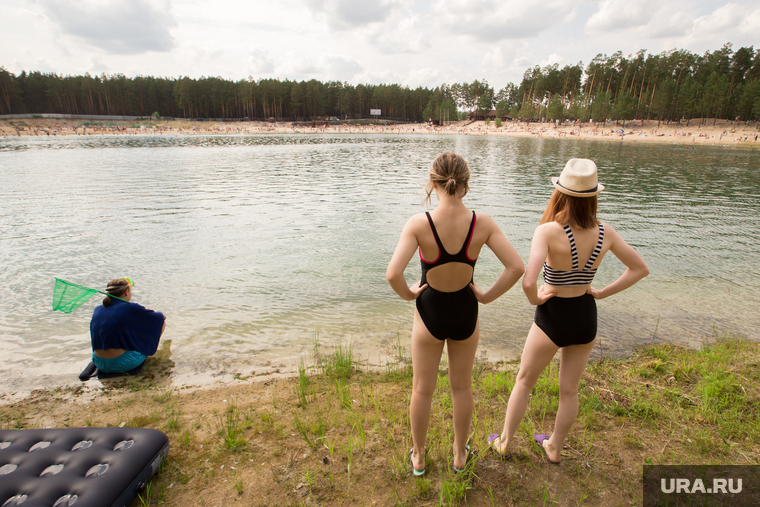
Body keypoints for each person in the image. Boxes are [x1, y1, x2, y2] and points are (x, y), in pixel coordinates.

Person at [488, 159, 649, 463]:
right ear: (593, 196)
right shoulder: (606, 232)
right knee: (569, 391)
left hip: (553, 315)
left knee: (524, 381)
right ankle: (554, 448)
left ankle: (505, 443)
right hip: (585, 316)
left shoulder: (548, 231)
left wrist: (537, 300)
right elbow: (640, 268)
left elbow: (529, 282)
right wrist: (601, 292)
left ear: (560, 193)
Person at [386, 152, 525, 475]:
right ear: (466, 183)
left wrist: (410, 294)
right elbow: (516, 266)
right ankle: (460, 456)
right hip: (466, 310)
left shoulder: (419, 223)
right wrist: (487, 296)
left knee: (422, 388)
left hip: (429, 311)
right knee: (461, 388)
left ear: (433, 183)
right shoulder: (483, 223)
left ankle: (419, 457)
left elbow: (393, 274)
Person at [90, 278, 166, 373]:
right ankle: (161, 352)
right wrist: (147, 312)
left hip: (99, 362)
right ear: (126, 292)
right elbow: (160, 317)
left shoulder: (98, 309)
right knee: (160, 323)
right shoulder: (132, 308)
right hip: (122, 364)